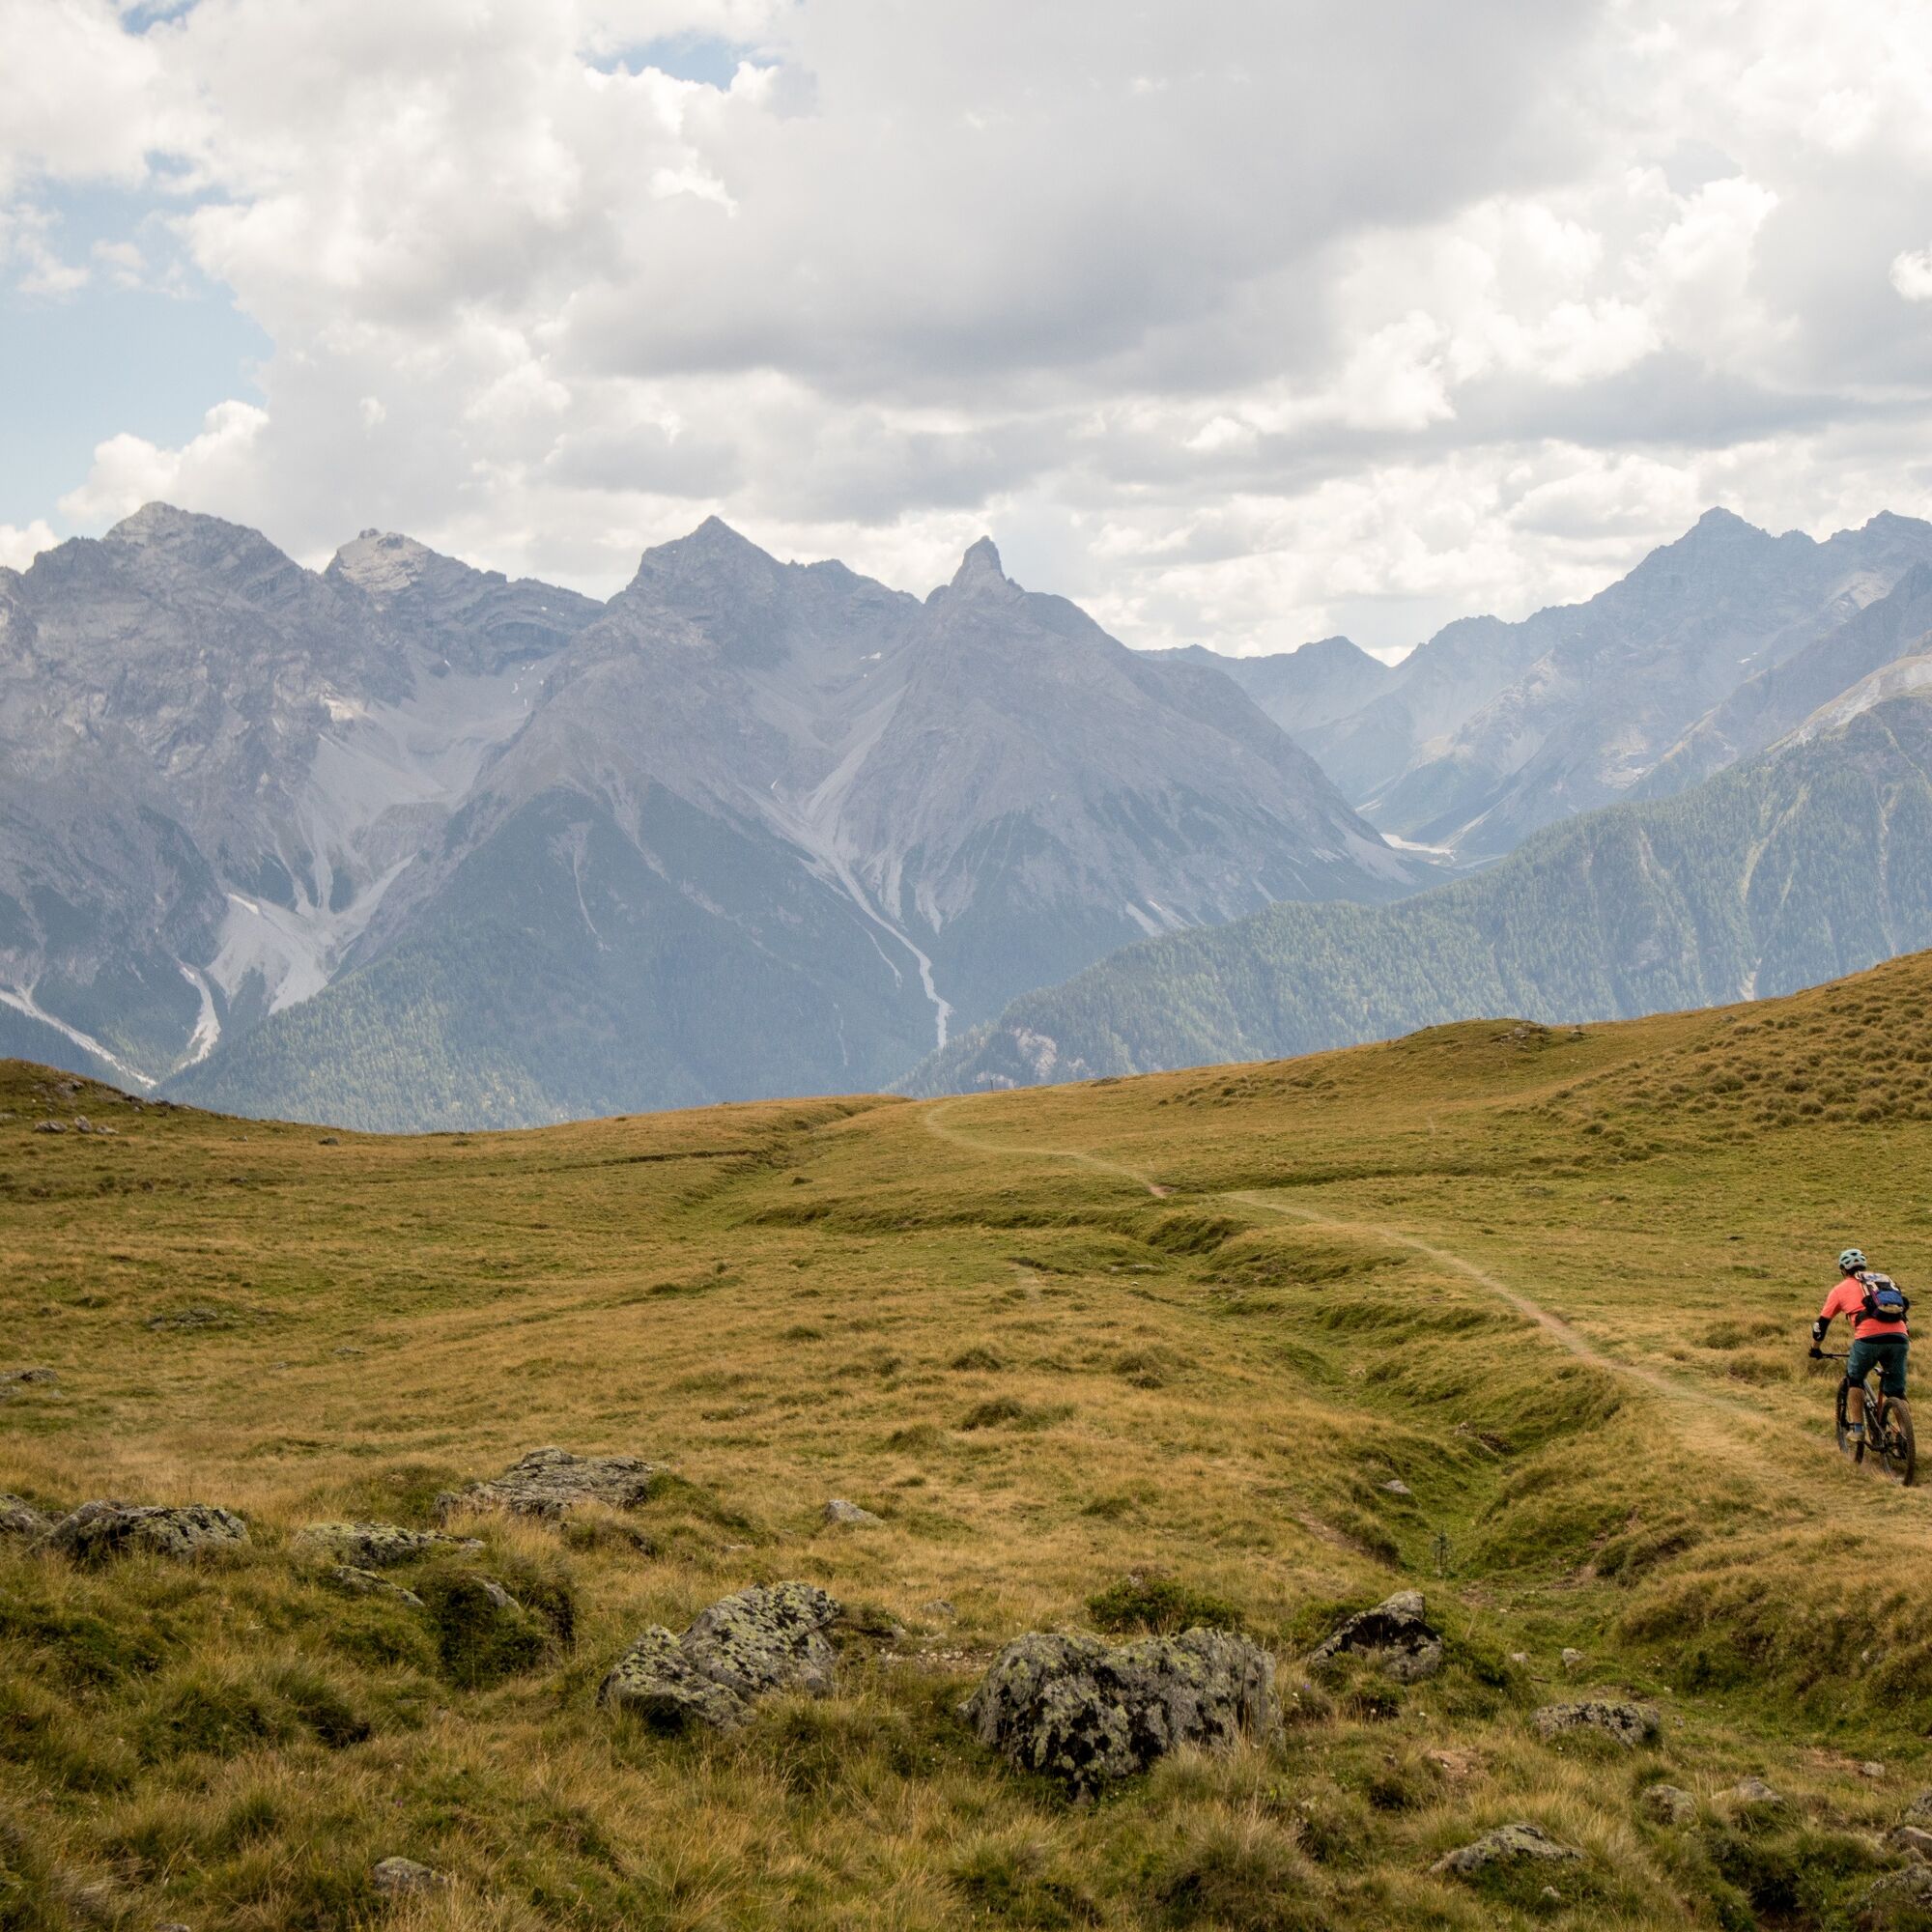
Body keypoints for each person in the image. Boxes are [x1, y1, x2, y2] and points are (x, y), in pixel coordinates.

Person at [1809, 1246, 1910, 1443]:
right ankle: (1905, 1437)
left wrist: (1815, 1348)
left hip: (1868, 1338)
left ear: (1843, 1270)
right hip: (1899, 1337)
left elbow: (1821, 1324)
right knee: (1897, 1391)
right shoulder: (1882, 1281)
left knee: (1855, 1379)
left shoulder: (1840, 1289)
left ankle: (1857, 1428)